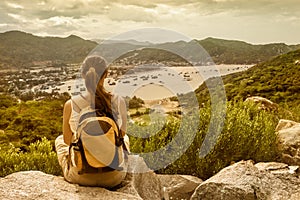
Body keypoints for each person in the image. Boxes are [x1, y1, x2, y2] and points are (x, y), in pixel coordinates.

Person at [55, 55, 130, 187]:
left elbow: (68, 141)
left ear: (83, 75)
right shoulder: (119, 101)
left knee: (60, 140)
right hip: (114, 177)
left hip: (81, 177)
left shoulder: (70, 104)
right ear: (106, 74)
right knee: (126, 138)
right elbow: (121, 135)